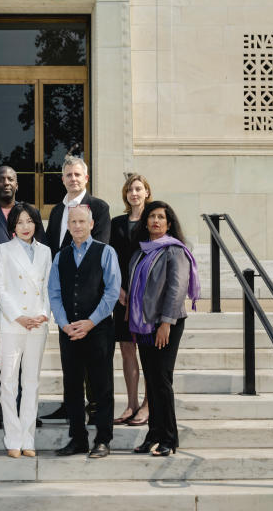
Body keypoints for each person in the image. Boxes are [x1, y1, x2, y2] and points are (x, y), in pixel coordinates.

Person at [127, 201, 200, 457]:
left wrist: (166, 322)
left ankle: (169, 438)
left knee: (162, 381)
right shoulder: (141, 252)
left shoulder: (174, 251)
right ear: (145, 221)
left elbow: (177, 289)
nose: (156, 221)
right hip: (145, 324)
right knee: (153, 380)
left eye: (161, 217)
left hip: (166, 323)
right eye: (152, 217)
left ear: (169, 223)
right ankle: (154, 434)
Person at [0, 165, 45, 429]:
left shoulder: (31, 214)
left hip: (27, 299)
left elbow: (42, 251)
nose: (6, 182)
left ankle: (23, 407)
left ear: (17, 184)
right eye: (1, 178)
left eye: (11, 179)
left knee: (24, 358)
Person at [42, 154, 111, 422]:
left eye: (77, 175)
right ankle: (71, 404)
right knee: (69, 352)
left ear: (86, 178)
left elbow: (101, 246)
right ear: (62, 179)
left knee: (93, 355)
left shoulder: (99, 207)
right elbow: (50, 247)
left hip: (90, 292)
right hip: (63, 292)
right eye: (68, 175)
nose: (73, 179)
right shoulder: (58, 210)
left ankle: (94, 407)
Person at [48, 205, 120, 458]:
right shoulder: (60, 257)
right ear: (68, 226)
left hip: (98, 330)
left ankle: (103, 439)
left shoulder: (106, 252)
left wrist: (90, 322)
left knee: (102, 386)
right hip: (69, 331)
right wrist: (64, 323)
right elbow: (54, 294)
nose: (77, 226)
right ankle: (78, 438)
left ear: (91, 224)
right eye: (73, 222)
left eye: (82, 221)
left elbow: (112, 292)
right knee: (72, 387)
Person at [0, 202, 52, 458]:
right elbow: (0, 288)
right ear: (13, 226)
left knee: (31, 383)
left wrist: (43, 314)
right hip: (11, 325)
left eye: (30, 221)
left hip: (37, 324)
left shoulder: (46, 251)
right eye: (20, 222)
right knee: (8, 383)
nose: (25, 226)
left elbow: (50, 287)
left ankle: (28, 439)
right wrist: (19, 316)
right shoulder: (3, 250)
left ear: (36, 223)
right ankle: (13, 438)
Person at [110, 173, 152, 427]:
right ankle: (131, 404)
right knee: (127, 349)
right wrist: (118, 289)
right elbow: (111, 258)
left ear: (147, 191)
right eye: (129, 190)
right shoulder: (117, 223)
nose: (134, 193)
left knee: (148, 353)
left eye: (138, 189)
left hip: (147, 297)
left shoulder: (154, 220)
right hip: (123, 296)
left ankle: (148, 405)